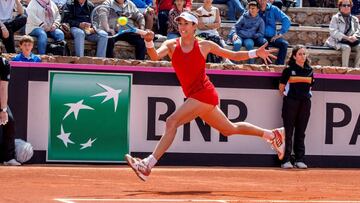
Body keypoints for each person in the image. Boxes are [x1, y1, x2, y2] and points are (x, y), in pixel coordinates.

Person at [125, 11, 286, 181]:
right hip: (194, 96)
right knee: (229, 129)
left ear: (194, 26)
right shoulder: (171, 44)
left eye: (186, 23)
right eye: (180, 23)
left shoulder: (205, 45)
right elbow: (155, 56)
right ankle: (271, 135)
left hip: (204, 94)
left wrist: (254, 53)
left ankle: (147, 165)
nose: (182, 26)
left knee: (172, 121)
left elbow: (233, 55)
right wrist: (149, 42)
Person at [279, 45, 314, 169]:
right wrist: (291, 97)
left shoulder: (310, 70)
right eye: (300, 54)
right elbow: (281, 88)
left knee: (301, 132)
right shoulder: (288, 70)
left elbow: (310, 87)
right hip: (291, 103)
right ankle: (285, 160)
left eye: (304, 54)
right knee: (288, 132)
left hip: (305, 103)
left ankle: (299, 159)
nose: (302, 56)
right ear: (294, 56)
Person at [325, 0, 360, 68]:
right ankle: (345, 68)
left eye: (348, 5)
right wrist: (347, 38)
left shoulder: (354, 18)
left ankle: (357, 69)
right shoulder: (335, 18)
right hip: (337, 41)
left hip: (351, 41)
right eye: (344, 5)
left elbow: (358, 31)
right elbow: (333, 32)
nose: (346, 7)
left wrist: (354, 36)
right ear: (340, 7)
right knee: (346, 48)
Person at [0, 56, 21, 166]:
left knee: (9, 122)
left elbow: (3, 87)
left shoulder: (4, 63)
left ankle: (8, 158)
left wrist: (3, 110)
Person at [257, 0, 291, 65]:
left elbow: (286, 19)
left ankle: (279, 66)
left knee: (284, 44)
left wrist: (280, 33)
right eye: (259, 0)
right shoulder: (255, 9)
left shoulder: (273, 9)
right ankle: (267, 66)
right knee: (264, 43)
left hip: (272, 37)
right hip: (260, 37)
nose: (261, 1)